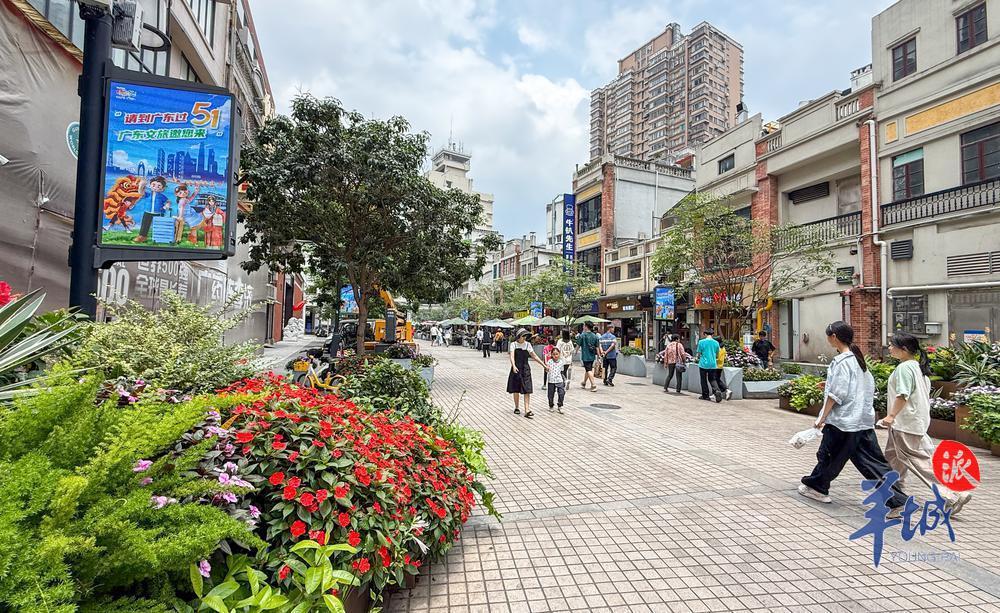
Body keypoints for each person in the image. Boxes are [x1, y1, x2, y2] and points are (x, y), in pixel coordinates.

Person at [799, 321, 907, 513]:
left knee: (829, 456)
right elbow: (862, 387)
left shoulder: (841, 362)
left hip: (843, 422)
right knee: (873, 463)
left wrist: (822, 417)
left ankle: (817, 487)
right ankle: (896, 500)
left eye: (828, 335)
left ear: (834, 337)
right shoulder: (859, 360)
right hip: (862, 422)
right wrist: (828, 384)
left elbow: (836, 395)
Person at [879, 332, 973, 515]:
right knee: (893, 460)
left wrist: (890, 416)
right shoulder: (917, 368)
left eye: (892, 345)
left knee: (915, 460)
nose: (889, 348)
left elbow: (902, 395)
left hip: (904, 423)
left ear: (903, 349)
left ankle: (953, 494)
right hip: (913, 422)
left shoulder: (905, 368)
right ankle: (896, 500)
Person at [507, 328, 546, 419]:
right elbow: (512, 356)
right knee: (516, 389)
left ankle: (527, 410)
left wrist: (544, 365)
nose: (524, 338)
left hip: (525, 369)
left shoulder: (528, 344)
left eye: (525, 336)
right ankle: (517, 407)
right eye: (523, 336)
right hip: (516, 368)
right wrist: (513, 366)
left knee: (527, 389)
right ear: (518, 336)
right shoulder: (513, 344)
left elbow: (534, 356)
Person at [132, 176, 172, 243]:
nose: (155, 187)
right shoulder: (148, 194)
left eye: (159, 186)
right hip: (148, 212)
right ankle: (142, 236)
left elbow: (168, 201)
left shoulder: (162, 196)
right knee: (145, 224)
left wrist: (167, 205)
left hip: (159, 213)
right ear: (150, 185)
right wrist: (141, 185)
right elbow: (141, 192)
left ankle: (159, 237)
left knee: (159, 225)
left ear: (163, 188)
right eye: (153, 185)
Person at [696, 329, 724, 402]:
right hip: (713, 364)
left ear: (705, 334)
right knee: (712, 379)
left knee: (703, 380)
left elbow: (699, 353)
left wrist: (699, 357)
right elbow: (717, 354)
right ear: (712, 334)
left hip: (703, 364)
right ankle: (717, 390)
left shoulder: (701, 342)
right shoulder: (716, 343)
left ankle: (705, 395)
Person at [576, 323, 600, 392]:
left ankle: (593, 385)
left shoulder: (582, 335)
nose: (583, 327)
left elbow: (578, 345)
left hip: (585, 356)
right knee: (588, 369)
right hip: (592, 356)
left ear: (586, 327)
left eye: (584, 326)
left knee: (589, 370)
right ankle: (584, 383)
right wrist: (598, 356)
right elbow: (597, 347)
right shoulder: (595, 336)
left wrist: (575, 351)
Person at [545, 346, 567, 413]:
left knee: (561, 393)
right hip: (551, 381)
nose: (555, 356)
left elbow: (563, 369)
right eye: (554, 354)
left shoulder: (561, 362)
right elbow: (546, 369)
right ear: (551, 355)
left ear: (559, 354)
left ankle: (560, 405)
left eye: (557, 354)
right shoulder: (549, 362)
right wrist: (546, 369)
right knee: (550, 394)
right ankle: (551, 405)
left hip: (559, 380)